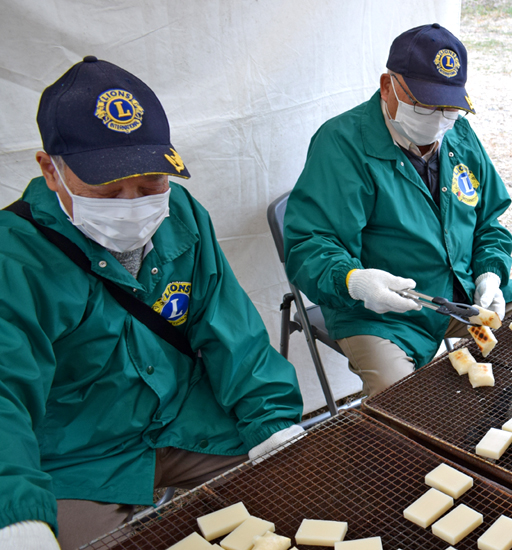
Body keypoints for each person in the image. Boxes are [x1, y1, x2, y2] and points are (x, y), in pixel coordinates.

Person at [0, 57, 304, 550]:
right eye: (107, 189)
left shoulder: (183, 215)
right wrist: (14, 511)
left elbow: (234, 334)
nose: (132, 204)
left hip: (188, 423)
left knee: (298, 497)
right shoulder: (12, 259)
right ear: (50, 171)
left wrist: (271, 421)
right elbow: (3, 393)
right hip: (81, 458)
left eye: (150, 183)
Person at [283, 23, 512, 397]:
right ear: (387, 86)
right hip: (382, 311)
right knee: (399, 399)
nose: (438, 119)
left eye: (449, 107)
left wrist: (490, 273)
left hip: (462, 288)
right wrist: (353, 281)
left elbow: (489, 223)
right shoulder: (341, 144)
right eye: (423, 104)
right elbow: (309, 245)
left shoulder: (458, 134)